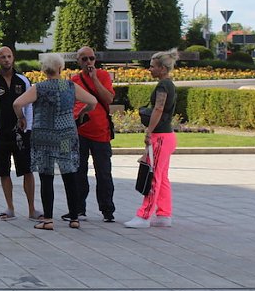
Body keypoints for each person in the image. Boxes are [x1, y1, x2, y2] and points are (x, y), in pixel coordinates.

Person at [13, 53, 96, 230]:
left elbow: (17, 104)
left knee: (46, 176)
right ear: (60, 68)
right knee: (69, 173)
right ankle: (74, 217)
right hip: (65, 135)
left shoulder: (39, 88)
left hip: (44, 137)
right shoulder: (70, 86)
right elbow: (93, 101)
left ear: (44, 70)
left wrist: (21, 118)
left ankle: (48, 219)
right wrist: (81, 113)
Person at [0, 46, 39, 220]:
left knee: (27, 170)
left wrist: (28, 128)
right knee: (3, 172)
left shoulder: (23, 81)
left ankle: (32, 209)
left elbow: (30, 106)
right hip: (0, 136)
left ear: (13, 58)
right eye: (2, 57)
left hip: (22, 134)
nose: (6, 59)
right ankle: (10, 207)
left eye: (9, 56)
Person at [125, 48, 179, 228]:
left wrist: (149, 131)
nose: (150, 69)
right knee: (162, 177)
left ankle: (144, 216)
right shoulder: (169, 84)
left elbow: (158, 108)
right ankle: (164, 214)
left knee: (153, 176)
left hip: (160, 137)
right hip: (168, 136)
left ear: (163, 68)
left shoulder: (163, 86)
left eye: (153, 66)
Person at [67, 46, 116, 223]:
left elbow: (108, 99)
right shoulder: (74, 80)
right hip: (80, 132)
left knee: (103, 173)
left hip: (101, 132)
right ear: (78, 61)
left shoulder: (102, 76)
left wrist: (95, 78)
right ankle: (79, 208)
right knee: (79, 172)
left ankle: (107, 210)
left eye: (91, 58)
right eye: (84, 59)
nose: (89, 62)